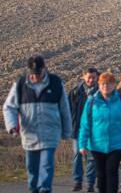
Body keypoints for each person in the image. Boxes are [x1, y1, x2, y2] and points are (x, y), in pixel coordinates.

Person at [3, 56, 72, 193]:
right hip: (30, 134)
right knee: (32, 168)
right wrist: (11, 126)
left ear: (44, 69)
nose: (35, 77)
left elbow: (64, 108)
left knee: (47, 165)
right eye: (32, 74)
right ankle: (33, 188)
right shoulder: (21, 84)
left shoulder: (56, 83)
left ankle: (44, 189)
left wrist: (66, 131)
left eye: (38, 74)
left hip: (50, 133)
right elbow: (9, 107)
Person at [78, 72, 121, 193]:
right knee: (101, 174)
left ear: (114, 85)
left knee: (111, 171)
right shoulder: (92, 102)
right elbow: (85, 125)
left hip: (117, 144)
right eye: (103, 84)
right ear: (99, 85)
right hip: (97, 145)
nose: (106, 86)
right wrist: (82, 144)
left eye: (109, 84)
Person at [69, 67, 99, 192]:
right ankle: (77, 181)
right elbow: (69, 108)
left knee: (91, 157)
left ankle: (90, 183)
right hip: (78, 129)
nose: (91, 80)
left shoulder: (101, 91)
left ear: (97, 77)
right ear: (84, 77)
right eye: (89, 77)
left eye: (93, 77)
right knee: (77, 154)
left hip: (95, 130)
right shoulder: (76, 91)